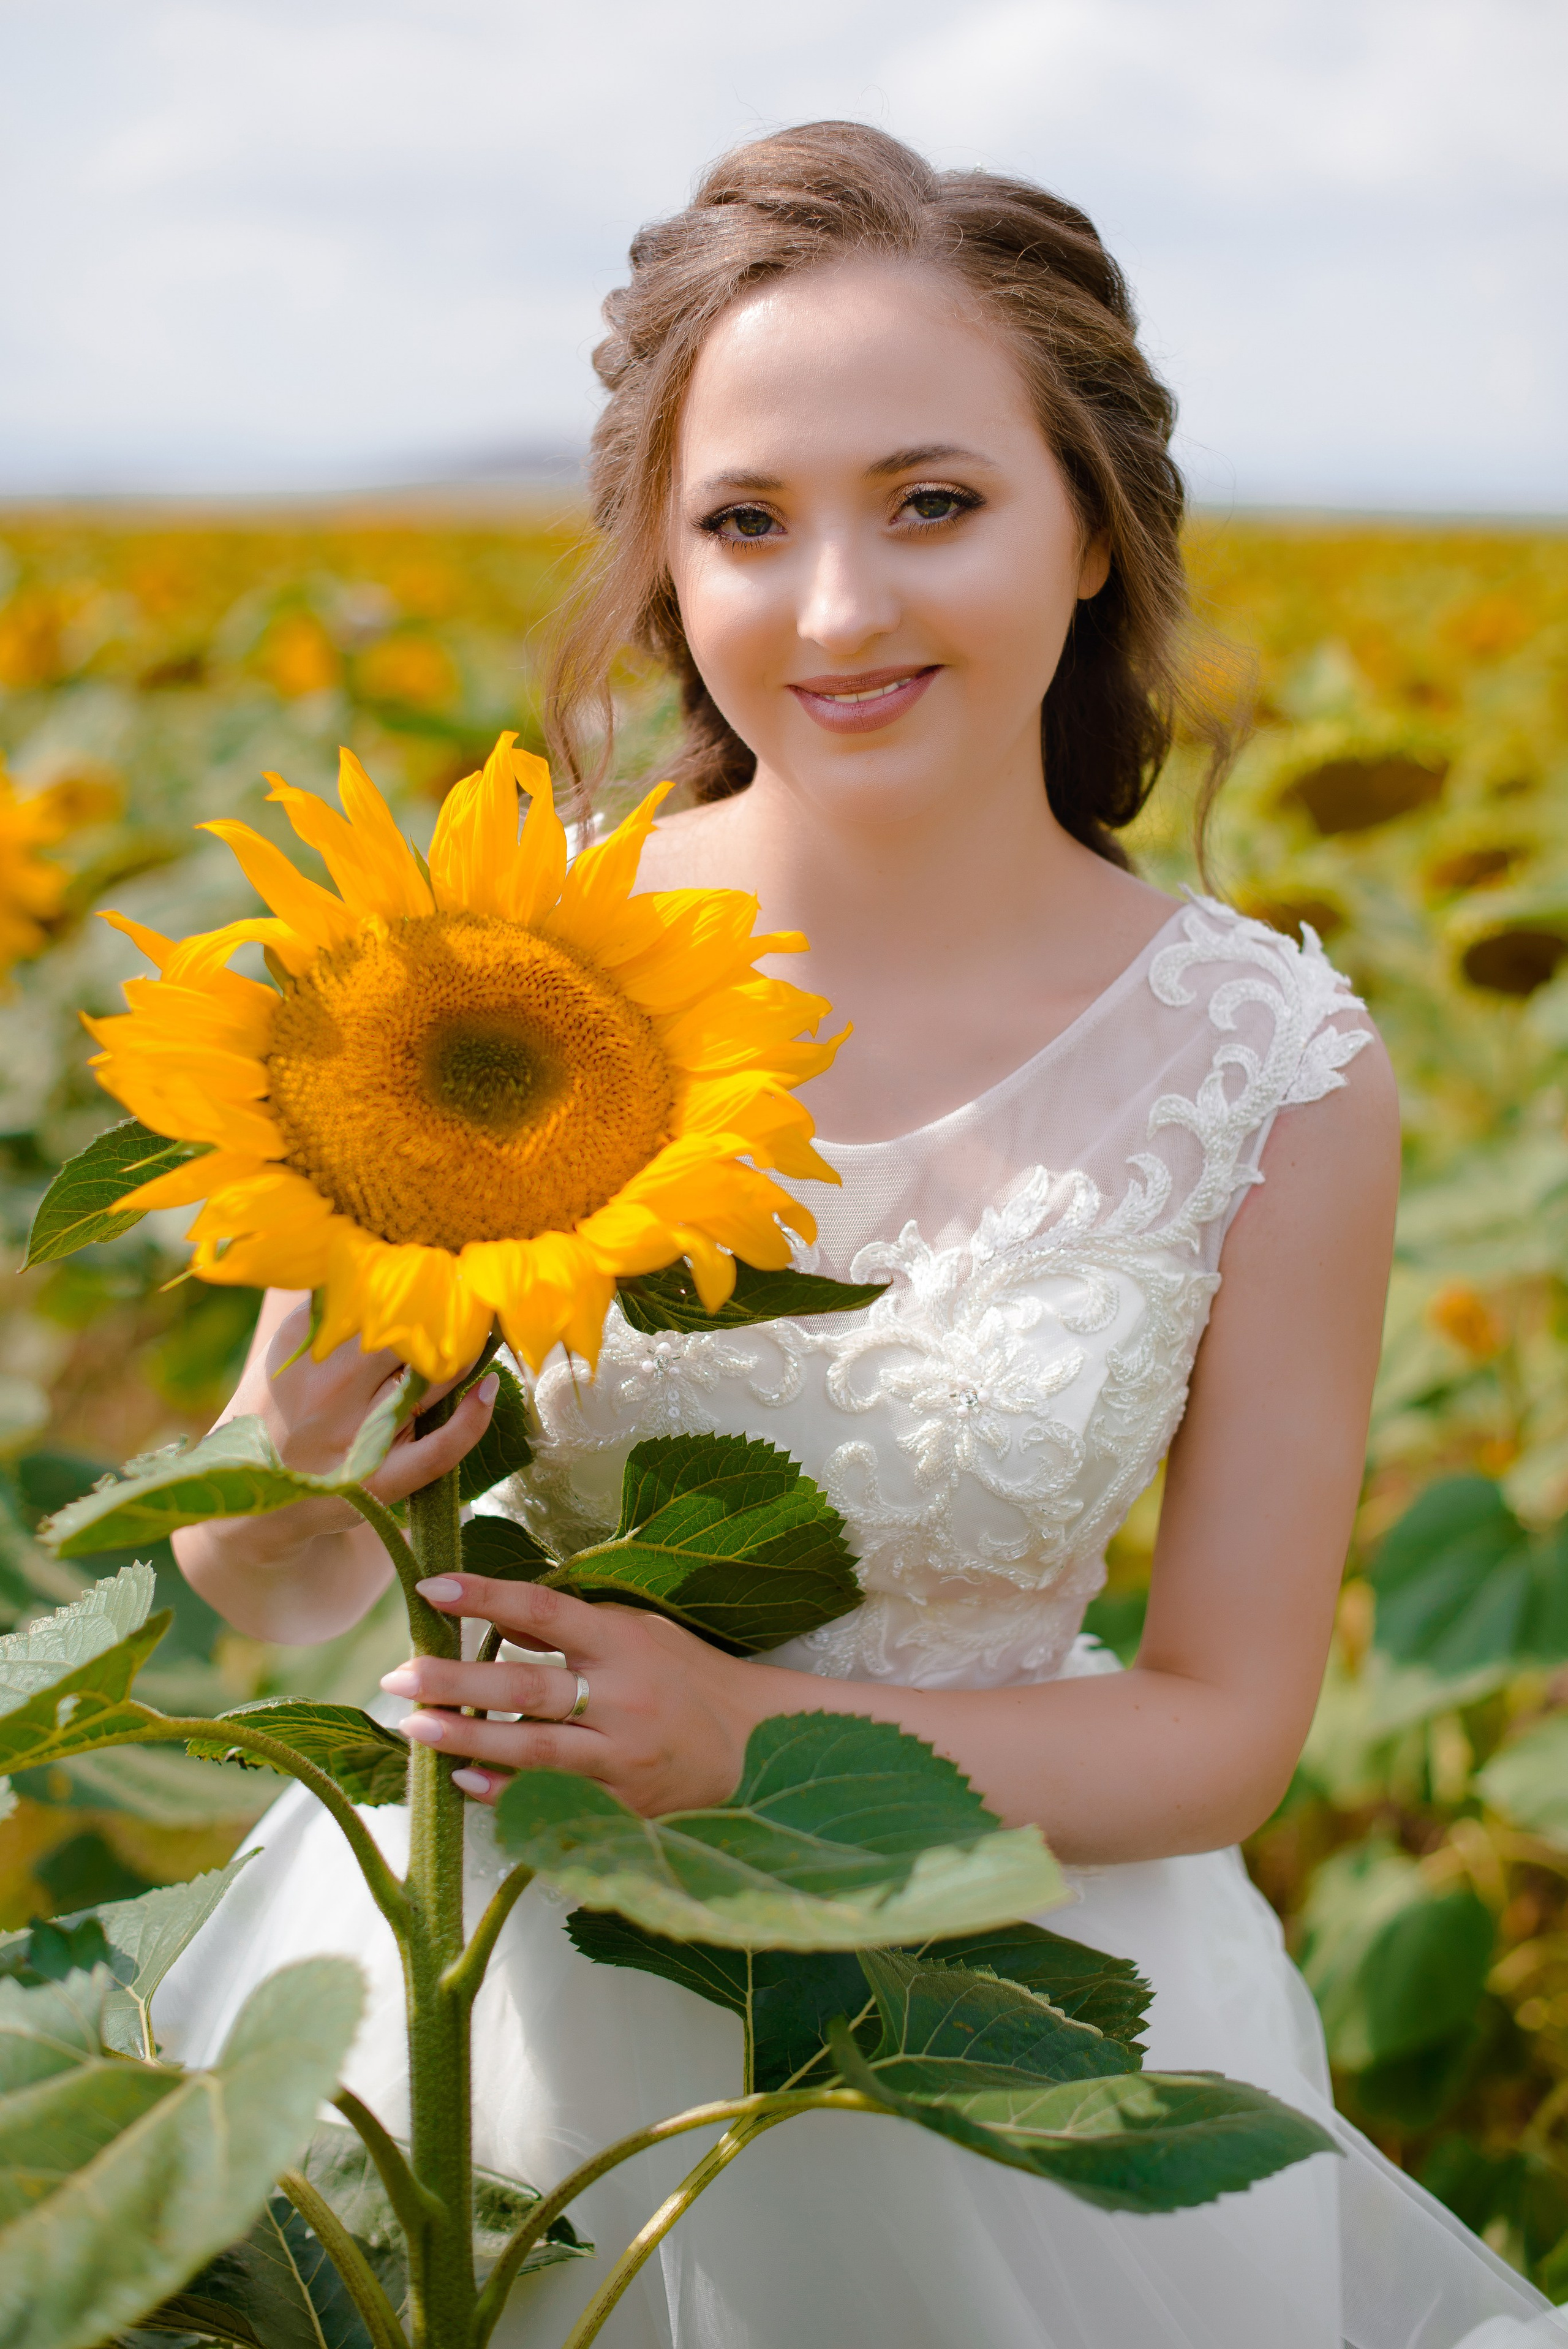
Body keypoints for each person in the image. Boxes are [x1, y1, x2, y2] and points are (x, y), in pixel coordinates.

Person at [156, 123, 1564, 2349]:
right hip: (503, 2022)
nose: (837, 608)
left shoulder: (1271, 1062)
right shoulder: (513, 967)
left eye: (933, 502)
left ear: (1088, 524)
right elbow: (283, 1578)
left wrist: (740, 1740)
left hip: (1018, 2019)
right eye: (746, 521)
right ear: (661, 565)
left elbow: (1221, 1726)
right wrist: (287, 1436)